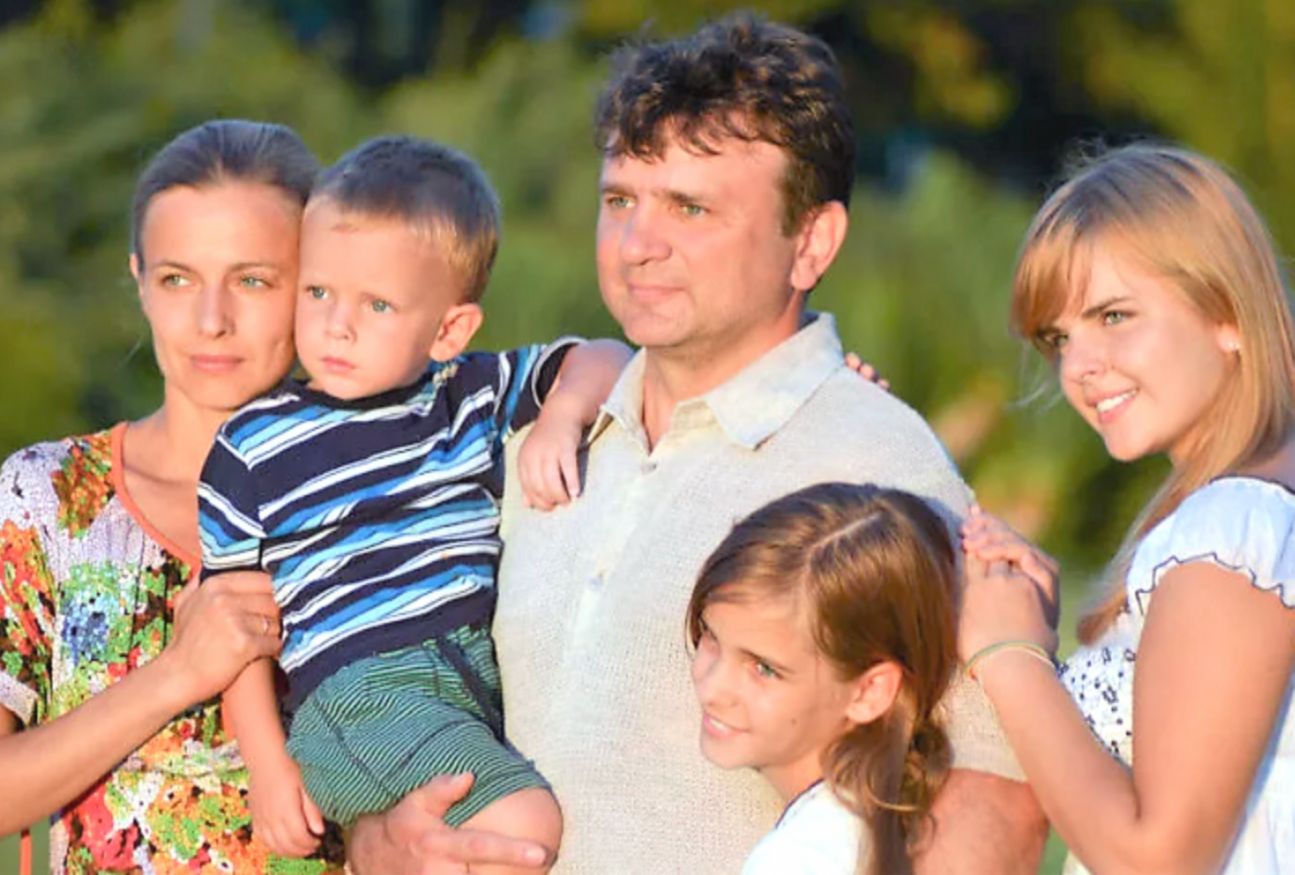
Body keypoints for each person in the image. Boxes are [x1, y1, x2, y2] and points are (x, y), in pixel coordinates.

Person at [350, 12, 1045, 874]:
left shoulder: (878, 464)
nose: (637, 245)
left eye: (690, 207)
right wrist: (380, 841)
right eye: (620, 200)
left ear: (811, 242)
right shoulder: (529, 436)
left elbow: (995, 804)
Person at [199, 135, 629, 865]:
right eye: (319, 292)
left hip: (466, 679)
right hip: (359, 692)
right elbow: (234, 630)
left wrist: (560, 416)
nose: (337, 324)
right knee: (523, 826)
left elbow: (607, 357)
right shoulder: (253, 445)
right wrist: (267, 768)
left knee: (480, 841)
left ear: (448, 330)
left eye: (377, 304)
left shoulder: (464, 395)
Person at [0, 120, 345, 872]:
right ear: (140, 281)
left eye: (253, 280)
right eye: (177, 279)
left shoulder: (380, 487)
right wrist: (179, 673)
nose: (212, 321)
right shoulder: (47, 499)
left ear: (316, 284)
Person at [958, 144, 1295, 873]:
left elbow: (1158, 860)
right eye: (1059, 337)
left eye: (1113, 315)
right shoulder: (1254, 515)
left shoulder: (1231, 533)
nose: (1079, 367)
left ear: (1227, 313)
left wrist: (1008, 656)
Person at [687, 482, 960, 875]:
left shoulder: (803, 858)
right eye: (710, 636)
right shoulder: (873, 830)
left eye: (764, 668)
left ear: (869, 692)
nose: (712, 689)